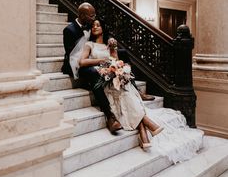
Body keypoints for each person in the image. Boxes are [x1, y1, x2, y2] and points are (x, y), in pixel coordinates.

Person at [79, 19, 204, 163]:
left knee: (127, 92)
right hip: (104, 79)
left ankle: (144, 132)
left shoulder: (110, 43)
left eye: (98, 25)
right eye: (93, 25)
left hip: (115, 78)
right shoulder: (89, 44)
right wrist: (102, 61)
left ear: (103, 28)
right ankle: (147, 125)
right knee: (127, 95)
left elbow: (116, 61)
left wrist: (114, 56)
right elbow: (82, 62)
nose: (95, 27)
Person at [61, 3, 122, 134]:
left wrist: (110, 39)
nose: (94, 18)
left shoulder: (90, 23)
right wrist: (96, 60)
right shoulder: (69, 30)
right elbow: (72, 55)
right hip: (76, 64)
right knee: (95, 72)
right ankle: (109, 115)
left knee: (122, 56)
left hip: (91, 56)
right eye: (91, 15)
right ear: (82, 16)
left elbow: (104, 30)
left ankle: (132, 87)